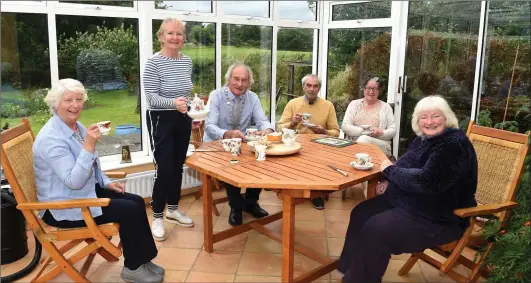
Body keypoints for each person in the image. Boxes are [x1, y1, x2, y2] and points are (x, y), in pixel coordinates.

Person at [33, 79, 163, 283]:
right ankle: (133, 268)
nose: (75, 105)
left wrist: (105, 182)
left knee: (137, 201)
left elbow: (92, 165)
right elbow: (73, 181)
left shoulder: (76, 127)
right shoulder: (51, 139)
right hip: (63, 206)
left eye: (79, 99)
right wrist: (89, 145)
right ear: (55, 104)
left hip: (82, 192)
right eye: (68, 100)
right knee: (130, 210)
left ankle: (141, 260)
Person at [337, 95, 478, 283]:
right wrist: (389, 179)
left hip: (437, 216)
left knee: (377, 229)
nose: (429, 122)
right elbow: (404, 164)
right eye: (423, 117)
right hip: (408, 202)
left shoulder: (453, 144)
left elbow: (427, 181)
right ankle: (350, 269)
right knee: (361, 213)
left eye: (435, 116)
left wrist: (390, 171)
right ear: (417, 121)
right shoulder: (424, 139)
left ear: (447, 118)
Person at [143, 17, 194, 241]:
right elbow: (151, 98)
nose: (175, 37)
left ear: (184, 38)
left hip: (182, 118)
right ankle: (156, 217)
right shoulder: (153, 63)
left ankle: (172, 210)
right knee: (164, 169)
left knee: (177, 166)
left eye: (179, 33)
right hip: (160, 119)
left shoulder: (187, 61)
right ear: (161, 36)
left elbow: (186, 92)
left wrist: (192, 107)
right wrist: (174, 103)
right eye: (170, 33)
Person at [205, 63, 274, 226]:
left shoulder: (253, 97)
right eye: (236, 79)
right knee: (231, 166)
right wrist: (227, 134)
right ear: (229, 79)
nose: (240, 84)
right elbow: (209, 126)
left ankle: (250, 203)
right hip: (216, 145)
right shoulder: (216, 95)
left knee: (261, 161)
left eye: (244, 80)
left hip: (240, 145)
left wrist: (267, 129)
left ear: (249, 83)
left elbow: (262, 121)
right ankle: (236, 207)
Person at [277, 74, 340, 210]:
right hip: (296, 143)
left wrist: (324, 131)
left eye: (315, 86)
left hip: (319, 145)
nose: (312, 89)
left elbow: (336, 132)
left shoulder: (327, 106)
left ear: (319, 88)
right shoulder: (293, 104)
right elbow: (280, 127)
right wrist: (293, 123)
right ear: (303, 87)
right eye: (309, 85)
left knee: (318, 157)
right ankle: (289, 189)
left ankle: (316, 194)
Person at [341, 76, 396, 157]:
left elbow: (393, 131)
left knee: (363, 139)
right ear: (364, 89)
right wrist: (365, 131)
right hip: (352, 143)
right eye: (368, 88)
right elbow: (345, 126)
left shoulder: (386, 107)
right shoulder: (354, 104)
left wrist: (380, 133)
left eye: (374, 89)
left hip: (378, 145)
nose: (371, 91)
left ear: (379, 91)